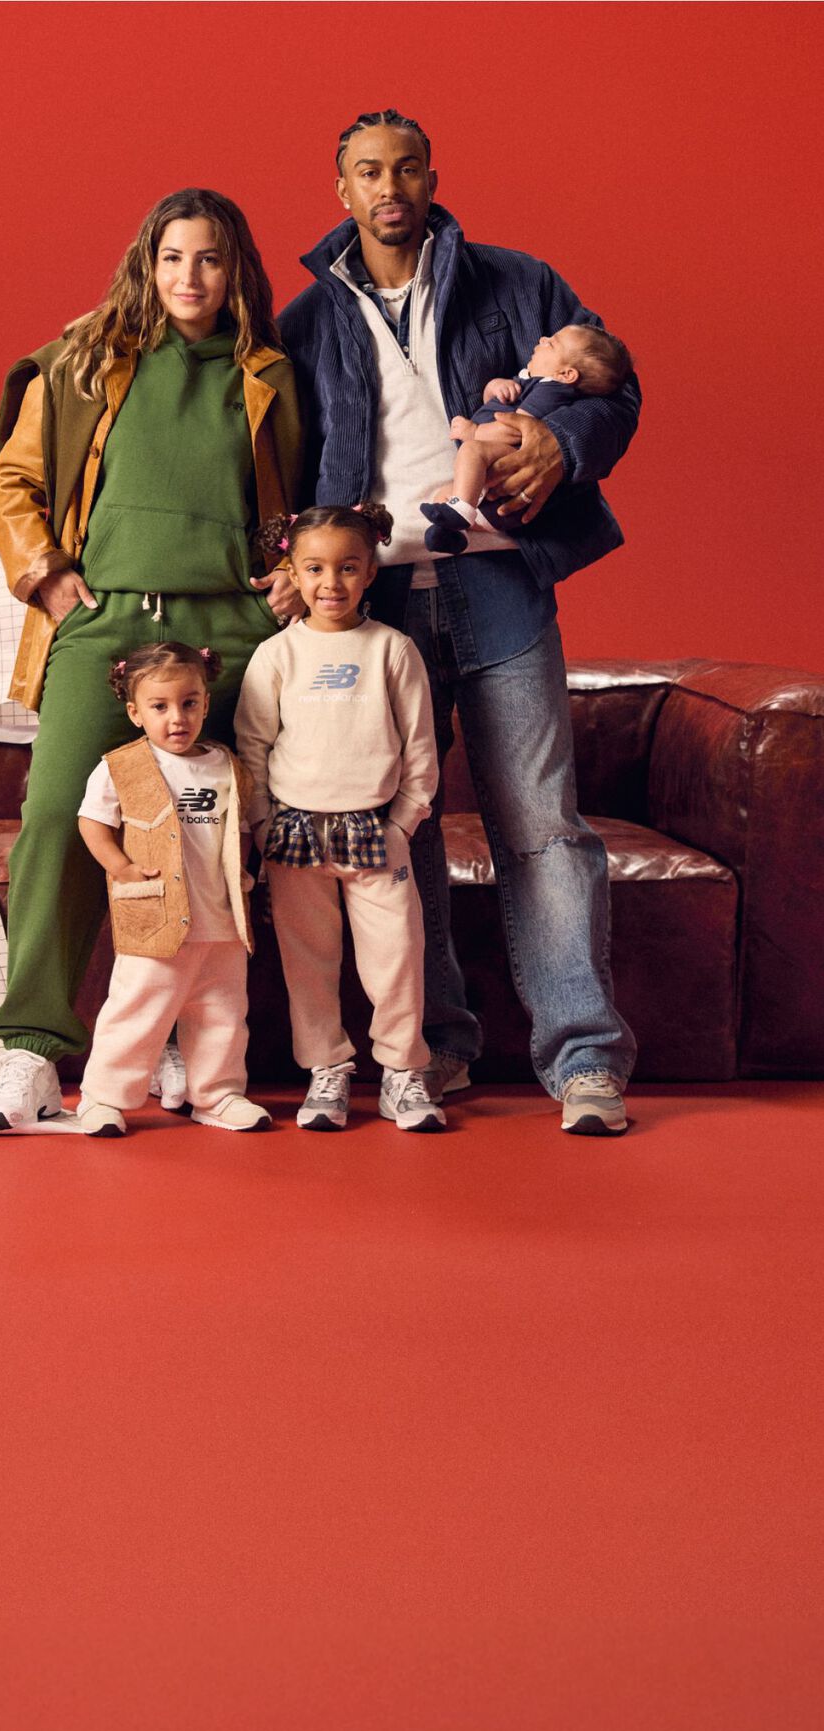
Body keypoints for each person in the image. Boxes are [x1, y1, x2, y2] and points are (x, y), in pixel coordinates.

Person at [276, 110, 638, 1136]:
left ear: (432, 177)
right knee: (402, 827)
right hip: (374, 600)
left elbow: (612, 386)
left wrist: (560, 448)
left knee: (543, 825)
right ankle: (434, 1048)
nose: (387, 187)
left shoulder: (518, 283)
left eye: (403, 168)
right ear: (339, 187)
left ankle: (583, 1063)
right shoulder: (306, 321)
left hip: (500, 581)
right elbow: (282, 460)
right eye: (365, 172)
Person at [0, 188, 300, 1133]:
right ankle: (33, 1051)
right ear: (145, 265)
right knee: (55, 820)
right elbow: (14, 478)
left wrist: (280, 578)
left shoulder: (272, 374)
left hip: (226, 631)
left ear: (234, 269)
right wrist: (44, 574)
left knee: (218, 835)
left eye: (207, 260)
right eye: (171, 259)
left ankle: (172, 1035)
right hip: (107, 619)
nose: (188, 278)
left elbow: (297, 501)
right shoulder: (85, 360)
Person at [234, 503, 445, 1135]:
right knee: (309, 960)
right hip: (295, 834)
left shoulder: (392, 651)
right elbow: (252, 747)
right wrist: (264, 826)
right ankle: (326, 1070)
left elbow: (421, 748)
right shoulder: (275, 656)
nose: (332, 583)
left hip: (376, 832)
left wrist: (403, 822)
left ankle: (403, 1073)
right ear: (291, 573)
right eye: (316, 568)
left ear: (370, 571)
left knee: (398, 957)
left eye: (349, 567)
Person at [75, 641, 268, 1137]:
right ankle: (102, 1098)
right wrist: (120, 867)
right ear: (135, 713)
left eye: (188, 703)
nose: (176, 718)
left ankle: (218, 1095)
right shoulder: (122, 766)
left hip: (221, 917)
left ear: (205, 702)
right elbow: (92, 824)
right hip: (155, 915)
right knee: (137, 1007)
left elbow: (239, 827)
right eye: (159, 707)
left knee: (223, 1012)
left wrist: (244, 873)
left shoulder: (225, 765)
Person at [421, 324, 634, 552]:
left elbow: (516, 429)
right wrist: (495, 388)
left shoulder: (552, 389)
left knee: (471, 450)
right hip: (499, 500)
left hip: (512, 470)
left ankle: (462, 511)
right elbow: (495, 406)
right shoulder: (535, 382)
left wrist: (472, 432)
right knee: (444, 495)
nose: (542, 339)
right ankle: (455, 532)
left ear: (566, 374)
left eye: (551, 344)